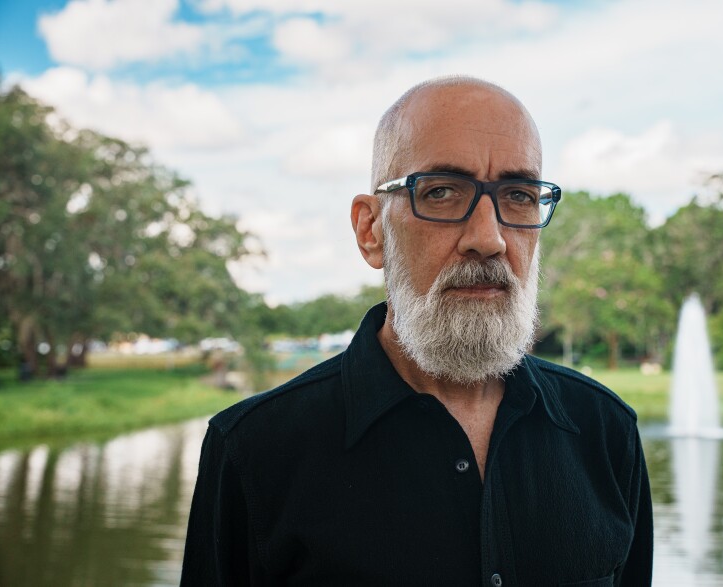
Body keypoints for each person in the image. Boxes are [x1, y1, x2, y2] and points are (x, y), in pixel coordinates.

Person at [181, 76, 653, 586]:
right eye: (442, 192)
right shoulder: (255, 451)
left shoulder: (607, 433)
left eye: (518, 195)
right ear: (371, 230)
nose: (488, 239)